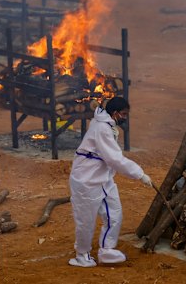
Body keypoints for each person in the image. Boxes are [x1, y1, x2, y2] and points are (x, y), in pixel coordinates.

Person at [68, 96, 153, 267]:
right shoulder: (102, 129)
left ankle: (107, 250)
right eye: (123, 114)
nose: (125, 117)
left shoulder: (108, 125)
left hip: (103, 178)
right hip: (87, 180)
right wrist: (140, 174)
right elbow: (115, 159)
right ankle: (81, 255)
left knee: (115, 212)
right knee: (86, 219)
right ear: (115, 113)